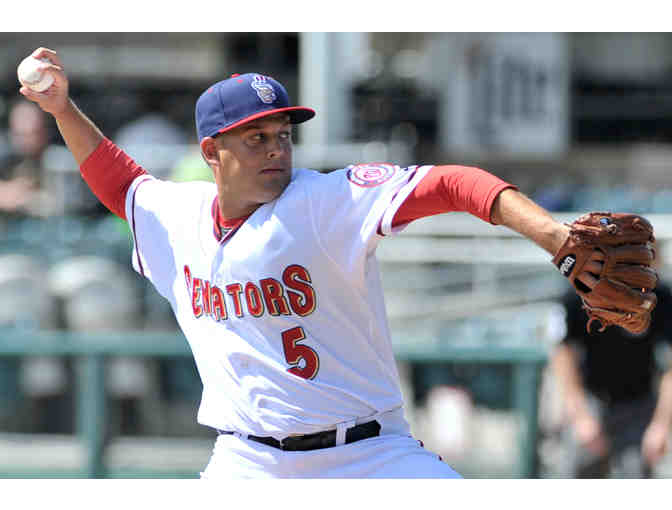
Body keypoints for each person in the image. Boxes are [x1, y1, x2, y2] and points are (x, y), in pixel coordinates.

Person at [20, 46, 620, 479]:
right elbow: (116, 179)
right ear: (212, 151)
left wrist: (551, 234)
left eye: (283, 133)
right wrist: (60, 108)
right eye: (256, 138)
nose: (277, 148)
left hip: (371, 458)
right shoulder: (177, 215)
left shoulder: (326, 200)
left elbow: (454, 183)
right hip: (247, 463)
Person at [551, 275, 672, 478]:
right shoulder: (579, 290)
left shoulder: (658, 295)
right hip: (591, 399)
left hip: (639, 403)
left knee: (637, 475)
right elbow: (563, 354)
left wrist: (661, 425)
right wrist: (581, 418)